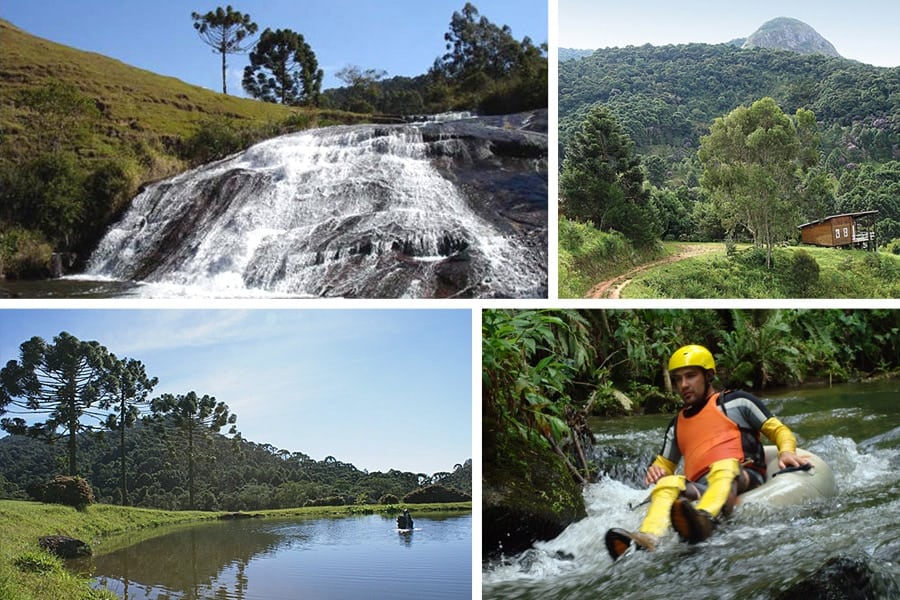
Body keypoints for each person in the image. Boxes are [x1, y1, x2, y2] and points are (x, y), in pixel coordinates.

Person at [604, 344, 810, 560]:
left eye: (690, 376)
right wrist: (656, 469)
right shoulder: (676, 425)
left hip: (743, 474)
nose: (684, 385)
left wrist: (786, 451)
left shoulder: (738, 401)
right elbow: (664, 464)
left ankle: (705, 519)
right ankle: (648, 538)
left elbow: (778, 430)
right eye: (678, 379)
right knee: (668, 483)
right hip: (703, 486)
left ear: (708, 375)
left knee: (725, 466)